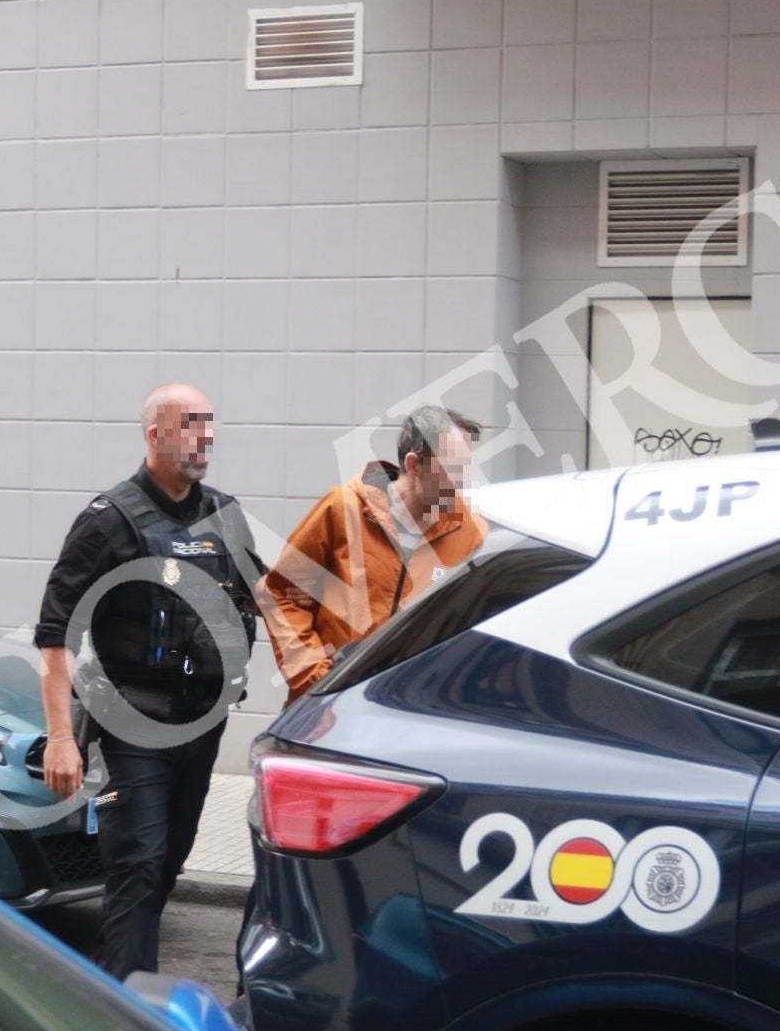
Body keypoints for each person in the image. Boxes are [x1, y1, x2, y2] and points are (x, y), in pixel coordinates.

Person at [35, 383, 262, 979]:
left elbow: (267, 604)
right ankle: (129, 1014)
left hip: (203, 721)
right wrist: (61, 737)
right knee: (138, 860)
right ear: (155, 434)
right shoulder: (108, 521)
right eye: (190, 423)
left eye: (209, 424)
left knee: (168, 862)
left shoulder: (226, 514)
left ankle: (112, 974)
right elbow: (55, 634)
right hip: (133, 721)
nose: (204, 436)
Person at [263, 405, 487, 703]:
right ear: (414, 465)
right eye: (452, 469)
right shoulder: (344, 508)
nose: (461, 482)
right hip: (325, 706)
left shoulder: (470, 533)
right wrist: (316, 679)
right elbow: (281, 595)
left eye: (464, 468)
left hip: (405, 708)